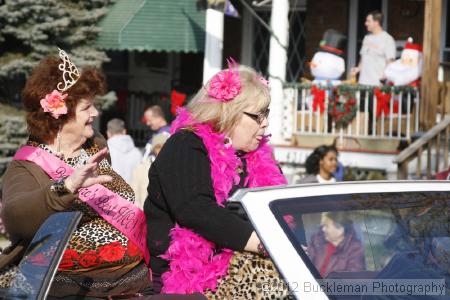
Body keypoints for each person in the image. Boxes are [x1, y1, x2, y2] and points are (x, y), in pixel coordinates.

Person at [0, 50, 152, 298]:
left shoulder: (96, 145)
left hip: (129, 284)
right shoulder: (27, 164)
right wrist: (66, 187)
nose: (95, 113)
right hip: (69, 291)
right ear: (60, 115)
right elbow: (15, 219)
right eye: (87, 107)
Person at [144, 63, 289, 298]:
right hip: (187, 285)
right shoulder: (186, 144)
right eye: (257, 115)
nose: (265, 123)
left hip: (246, 279)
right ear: (228, 113)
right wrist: (267, 244)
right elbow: (196, 209)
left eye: (267, 114)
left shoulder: (260, 158)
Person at [306, 212, 365, 278]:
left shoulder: (355, 249)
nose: (323, 229)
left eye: (326, 226)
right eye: (323, 226)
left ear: (340, 230)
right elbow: (307, 262)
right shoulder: (318, 240)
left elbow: (353, 281)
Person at [351, 11, 396, 86]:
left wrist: (385, 77)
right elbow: (363, 59)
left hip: (377, 84)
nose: (366, 23)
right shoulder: (367, 38)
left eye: (368, 21)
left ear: (376, 22)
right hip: (362, 83)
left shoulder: (387, 39)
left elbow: (390, 62)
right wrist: (357, 69)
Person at [130, 133, 169, 209]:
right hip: (144, 214)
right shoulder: (140, 169)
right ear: (154, 149)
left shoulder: (173, 168)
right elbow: (134, 195)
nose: (161, 150)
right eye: (158, 147)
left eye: (164, 146)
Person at [106, 118, 142, 183]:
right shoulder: (137, 152)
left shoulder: (104, 151)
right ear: (124, 131)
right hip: (133, 191)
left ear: (108, 133)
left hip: (111, 191)